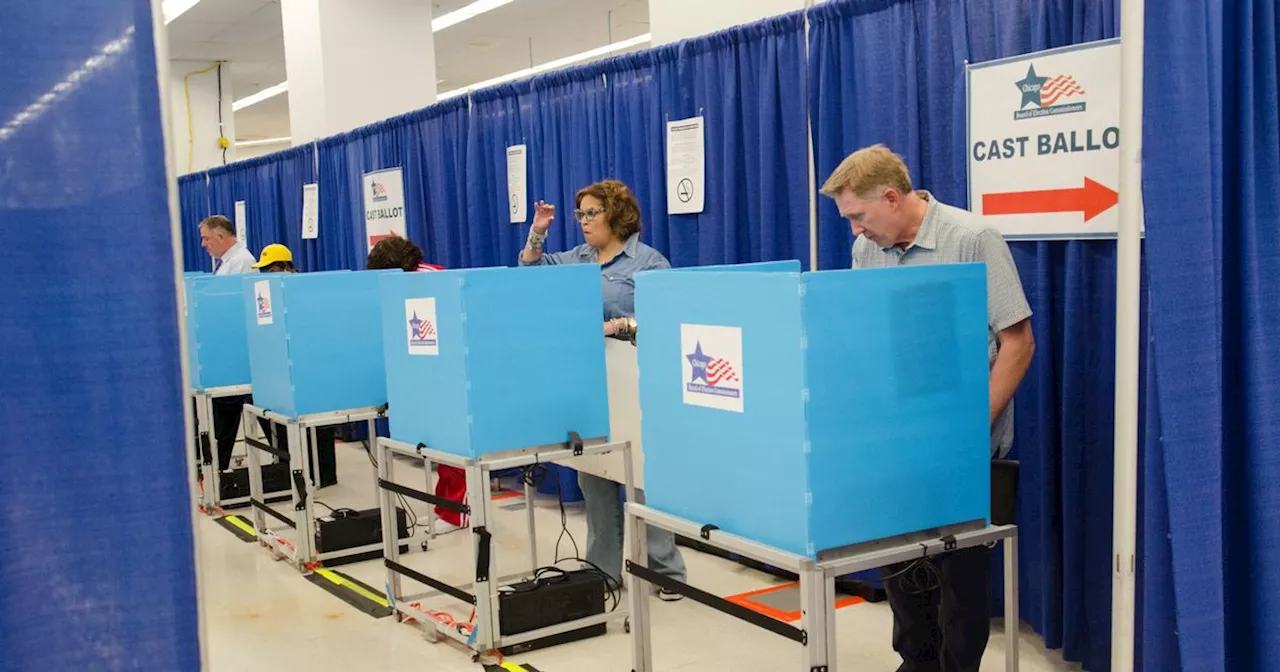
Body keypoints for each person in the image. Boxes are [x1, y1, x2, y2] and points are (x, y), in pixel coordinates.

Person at [820, 145, 1035, 672]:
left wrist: (969, 426)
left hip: (962, 446)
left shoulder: (971, 239)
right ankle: (915, 663)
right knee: (899, 569)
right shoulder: (867, 252)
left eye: (858, 216)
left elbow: (1019, 342)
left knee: (960, 582)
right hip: (896, 443)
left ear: (892, 197)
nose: (855, 231)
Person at [519, 178, 687, 600]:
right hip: (590, 384)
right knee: (595, 478)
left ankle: (665, 572)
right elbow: (531, 271)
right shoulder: (578, 258)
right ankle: (604, 572)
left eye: (591, 213)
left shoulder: (648, 262)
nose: (583, 222)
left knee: (641, 480)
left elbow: (668, 319)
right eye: (579, 215)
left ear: (616, 214)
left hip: (636, 382)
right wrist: (539, 228)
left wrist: (615, 326)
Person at [364, 233, 465, 526]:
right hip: (430, 371)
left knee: (452, 446)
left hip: (450, 371)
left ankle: (456, 513)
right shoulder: (410, 280)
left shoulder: (431, 282)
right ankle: (443, 508)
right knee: (439, 446)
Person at [252, 243, 338, 488]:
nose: (263, 275)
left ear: (282, 267)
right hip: (292, 365)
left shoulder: (303, 289)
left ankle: (323, 475)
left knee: (318, 423)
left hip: (313, 365)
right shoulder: (277, 291)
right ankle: (296, 470)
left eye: (267, 269)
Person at [196, 215, 258, 473]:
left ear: (221, 236)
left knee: (227, 415)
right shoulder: (227, 263)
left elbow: (233, 309)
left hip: (236, 355)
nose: (203, 244)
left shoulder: (242, 262)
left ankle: (218, 469)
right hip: (226, 352)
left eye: (206, 238)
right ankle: (216, 468)